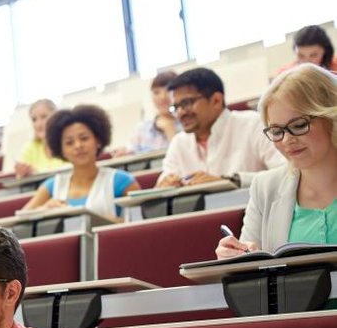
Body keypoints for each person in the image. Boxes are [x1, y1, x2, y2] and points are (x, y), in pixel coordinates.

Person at [217, 63, 337, 257]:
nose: (287, 140)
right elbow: (249, 270)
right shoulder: (265, 187)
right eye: (276, 131)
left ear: (332, 117)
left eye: (298, 125)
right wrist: (234, 259)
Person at [156, 67, 286, 189]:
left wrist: (231, 181)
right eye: (176, 107)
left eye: (187, 103)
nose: (180, 113)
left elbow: (286, 173)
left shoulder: (253, 124)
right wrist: (166, 184)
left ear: (216, 101)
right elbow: (163, 183)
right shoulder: (179, 143)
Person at [22, 104, 139, 220]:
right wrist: (43, 209)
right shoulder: (52, 185)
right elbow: (18, 223)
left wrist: (115, 223)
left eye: (84, 138)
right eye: (69, 142)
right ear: (61, 149)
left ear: (98, 140)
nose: (78, 146)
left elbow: (142, 225)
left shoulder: (122, 181)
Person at [13, 99, 67, 178]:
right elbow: (20, 179)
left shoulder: (68, 142)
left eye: (44, 117)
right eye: (34, 119)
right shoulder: (30, 147)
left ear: (56, 116)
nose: (39, 124)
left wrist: (36, 173)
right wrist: (22, 174)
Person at [131, 70, 181, 153]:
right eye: (156, 92)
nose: (163, 97)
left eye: (168, 91)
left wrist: (169, 129)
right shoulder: (141, 129)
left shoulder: (187, 124)